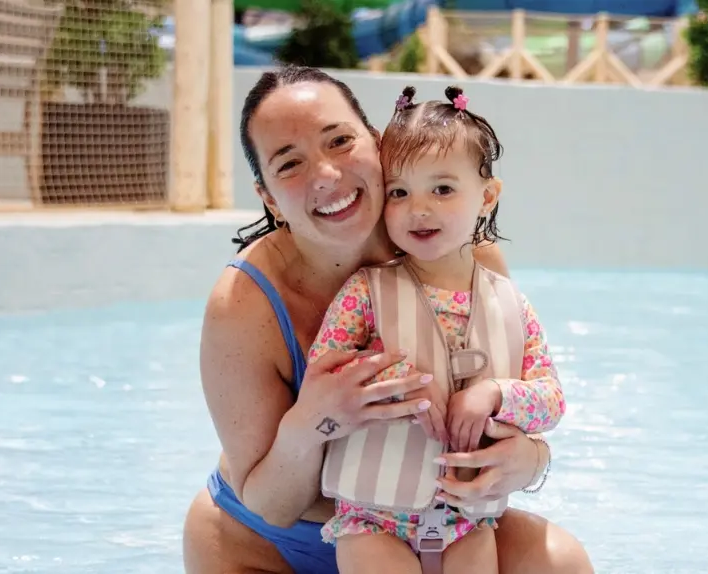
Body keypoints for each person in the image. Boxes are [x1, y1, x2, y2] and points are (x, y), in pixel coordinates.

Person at [182, 64, 593, 574]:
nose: (327, 174)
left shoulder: (462, 255)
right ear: (267, 196)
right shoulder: (244, 303)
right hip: (270, 544)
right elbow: (273, 504)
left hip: (439, 521)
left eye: (339, 141)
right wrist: (314, 419)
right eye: (289, 164)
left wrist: (530, 460)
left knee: (563, 564)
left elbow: (526, 392)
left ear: (374, 141)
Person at [309, 85, 567, 574]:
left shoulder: (512, 304)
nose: (418, 208)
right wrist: (399, 382)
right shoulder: (366, 291)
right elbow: (324, 367)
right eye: (399, 192)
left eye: (442, 189)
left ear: (487, 196)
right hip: (373, 518)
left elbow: (551, 398)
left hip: (468, 521)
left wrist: (496, 393)